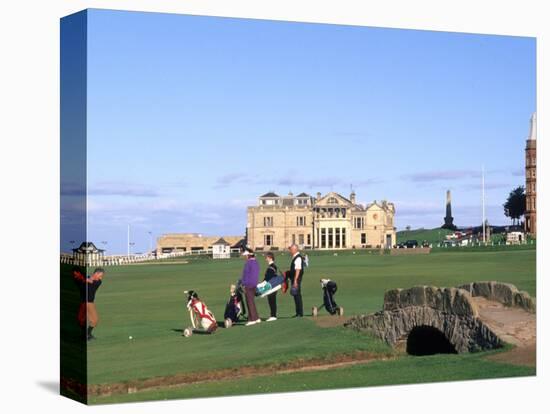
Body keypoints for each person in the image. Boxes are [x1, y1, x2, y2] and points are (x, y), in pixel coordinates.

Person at [239, 247, 261, 326]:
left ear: (248, 256)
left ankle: (252, 319)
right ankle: (257, 318)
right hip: (254, 284)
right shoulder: (256, 262)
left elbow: (246, 275)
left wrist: (243, 284)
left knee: (249, 302)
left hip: (248, 285)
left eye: (246, 256)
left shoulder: (248, 263)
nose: (245, 257)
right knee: (252, 301)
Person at [85, 267, 104, 340]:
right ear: (96, 273)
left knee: (95, 320)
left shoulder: (98, 281)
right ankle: (87, 335)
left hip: (90, 302)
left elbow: (89, 281)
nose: (101, 277)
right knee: (93, 320)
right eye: (100, 275)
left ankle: (87, 334)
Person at [287, 244, 305, 317]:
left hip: (296, 279)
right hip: (295, 278)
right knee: (296, 295)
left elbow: (298, 270)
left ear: (294, 250)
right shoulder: (295, 257)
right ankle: (298, 312)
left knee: (297, 295)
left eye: (291, 249)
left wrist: (295, 280)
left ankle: (300, 313)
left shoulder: (298, 258)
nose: (290, 251)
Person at [263, 252, 279, 321]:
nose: (266, 259)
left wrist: (263, 283)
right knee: (271, 300)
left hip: (272, 286)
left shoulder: (271, 267)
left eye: (266, 257)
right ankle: (272, 315)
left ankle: (273, 315)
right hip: (272, 285)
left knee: (272, 300)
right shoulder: (272, 266)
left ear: (270, 258)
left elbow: (268, 277)